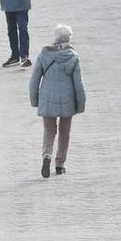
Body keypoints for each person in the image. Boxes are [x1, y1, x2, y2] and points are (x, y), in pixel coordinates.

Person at [29, 23, 86, 177]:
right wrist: (80, 104)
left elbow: (34, 79)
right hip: (67, 100)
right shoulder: (73, 57)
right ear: (69, 39)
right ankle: (60, 164)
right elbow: (79, 83)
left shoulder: (44, 54)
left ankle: (46, 155)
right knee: (64, 132)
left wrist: (35, 100)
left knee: (49, 130)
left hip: (47, 98)